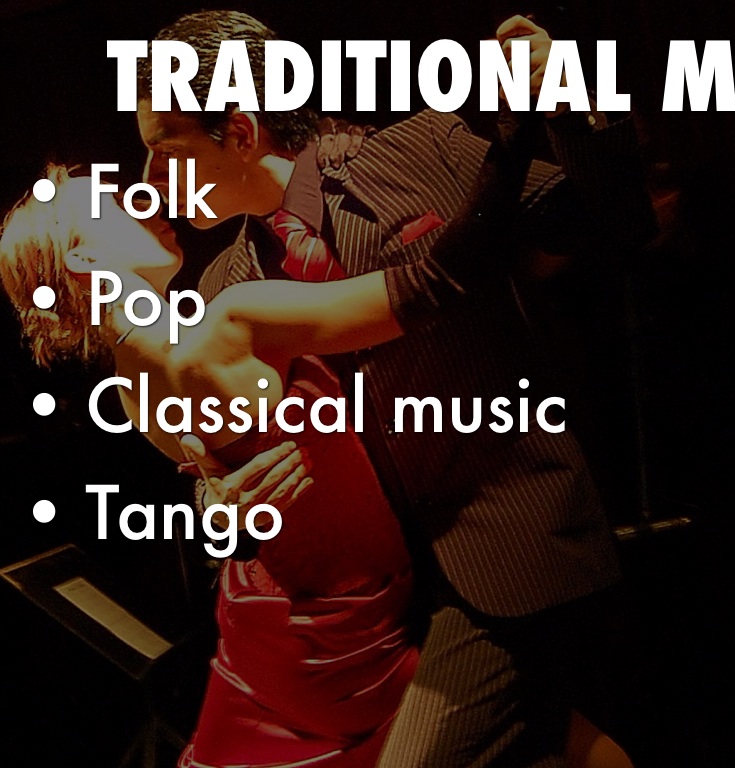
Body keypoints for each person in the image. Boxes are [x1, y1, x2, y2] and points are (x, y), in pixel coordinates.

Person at [1, 95, 631, 766]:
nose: (146, 192)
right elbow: (436, 279)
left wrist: (218, 500)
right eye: (115, 204)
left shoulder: (133, 387)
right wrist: (516, 127)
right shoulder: (227, 314)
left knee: (572, 749)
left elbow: (220, 470)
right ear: (85, 261)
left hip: (291, 616)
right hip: (346, 622)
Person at [138, 11, 656, 766]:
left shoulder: (415, 150)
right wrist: (222, 498)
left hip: (506, 548)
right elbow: (221, 476)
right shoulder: (224, 284)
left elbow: (612, 227)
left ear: (241, 132)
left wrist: (569, 101)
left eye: (165, 150)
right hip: (372, 608)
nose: (150, 181)